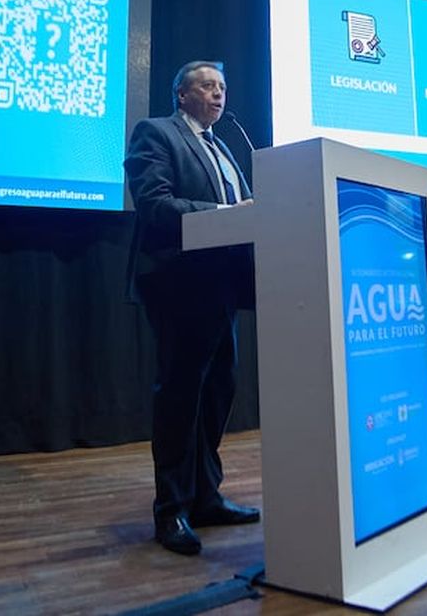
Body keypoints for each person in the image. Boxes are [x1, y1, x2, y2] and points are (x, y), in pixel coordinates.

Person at [124, 60, 259, 555]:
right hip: (179, 283)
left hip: (223, 285)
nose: (218, 94)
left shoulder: (224, 147)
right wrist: (228, 214)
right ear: (182, 94)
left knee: (218, 392)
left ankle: (205, 497)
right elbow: (155, 205)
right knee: (181, 396)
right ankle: (171, 510)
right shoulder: (157, 134)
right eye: (207, 86)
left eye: (222, 87)